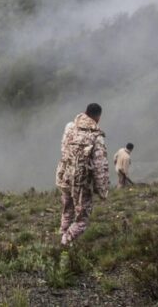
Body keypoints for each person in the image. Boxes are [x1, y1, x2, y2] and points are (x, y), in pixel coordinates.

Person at [55, 103, 109, 246]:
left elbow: (63, 149)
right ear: (98, 117)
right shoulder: (96, 136)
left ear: (85, 112)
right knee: (82, 220)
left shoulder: (70, 127)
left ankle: (62, 233)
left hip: (65, 176)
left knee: (68, 209)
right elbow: (100, 166)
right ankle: (65, 242)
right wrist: (102, 190)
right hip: (82, 183)